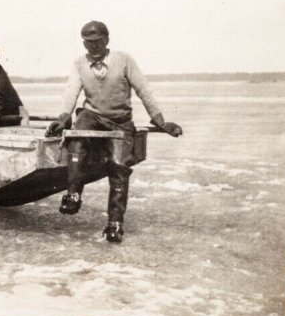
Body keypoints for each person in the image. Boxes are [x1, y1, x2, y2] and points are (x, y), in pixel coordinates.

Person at [45, 21, 182, 243]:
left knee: (119, 167)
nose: (94, 47)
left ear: (107, 40)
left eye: (98, 42)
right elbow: (71, 91)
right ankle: (73, 194)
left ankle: (115, 223)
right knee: (77, 140)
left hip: (120, 121)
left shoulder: (124, 60)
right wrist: (63, 118)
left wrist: (160, 121)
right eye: (89, 43)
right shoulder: (80, 63)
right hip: (92, 116)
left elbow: (143, 90)